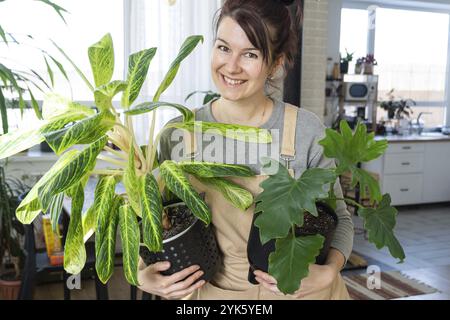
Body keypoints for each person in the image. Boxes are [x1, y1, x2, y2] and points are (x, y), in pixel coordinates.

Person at [137, 0, 353, 300]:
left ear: (276, 63)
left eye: (250, 54)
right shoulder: (179, 134)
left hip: (298, 292)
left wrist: (330, 271)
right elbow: (152, 221)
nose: (232, 66)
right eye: (223, 48)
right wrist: (142, 274)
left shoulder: (305, 130)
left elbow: (339, 217)